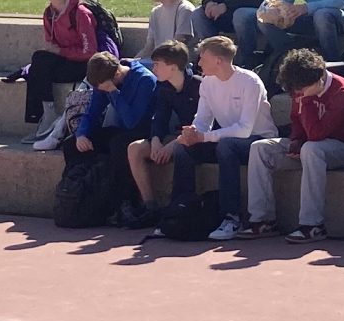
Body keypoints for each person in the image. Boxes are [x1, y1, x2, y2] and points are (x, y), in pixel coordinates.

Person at [232, 49, 344, 243]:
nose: (298, 94)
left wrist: (307, 100)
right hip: (310, 146)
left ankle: (313, 225)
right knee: (260, 148)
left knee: (312, 149)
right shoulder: (301, 85)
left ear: (319, 79)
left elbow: (317, 134)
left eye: (302, 90)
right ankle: (263, 220)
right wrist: (295, 141)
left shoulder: (343, 94)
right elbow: (297, 122)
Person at [178, 34, 275, 218]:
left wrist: (204, 137)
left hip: (258, 140)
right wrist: (193, 132)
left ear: (218, 61)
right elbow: (203, 120)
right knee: (183, 148)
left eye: (203, 58)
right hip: (228, 140)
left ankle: (230, 217)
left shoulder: (250, 82)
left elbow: (244, 130)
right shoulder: (207, 82)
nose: (199, 63)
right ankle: (180, 211)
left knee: (226, 146)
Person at [72, 51, 164, 223]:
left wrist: (114, 92)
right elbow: (92, 111)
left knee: (118, 145)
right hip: (122, 128)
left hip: (144, 130)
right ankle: (78, 191)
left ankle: (126, 201)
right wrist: (81, 134)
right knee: (71, 144)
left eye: (102, 87)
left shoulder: (144, 80)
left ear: (115, 75)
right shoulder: (104, 79)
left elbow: (132, 121)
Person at [125, 41, 204, 221]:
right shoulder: (164, 87)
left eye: (157, 64)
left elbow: (202, 124)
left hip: (198, 139)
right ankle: (150, 206)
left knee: (181, 149)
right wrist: (155, 140)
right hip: (177, 136)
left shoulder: (199, 86)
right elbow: (160, 116)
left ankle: (180, 207)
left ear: (173, 67)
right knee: (135, 148)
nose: (153, 69)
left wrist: (173, 145)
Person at [11, 0, 103, 125]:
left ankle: (45, 118)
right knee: (38, 62)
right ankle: (45, 114)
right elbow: (50, 46)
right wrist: (56, 52)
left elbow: (90, 52)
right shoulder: (49, 14)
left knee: (38, 67)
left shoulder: (80, 12)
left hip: (86, 65)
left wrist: (61, 51)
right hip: (65, 62)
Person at [138, 0, 202, 58]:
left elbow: (178, 46)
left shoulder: (184, 9)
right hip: (159, 62)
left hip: (178, 63)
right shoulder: (155, 12)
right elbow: (149, 47)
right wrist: (130, 63)